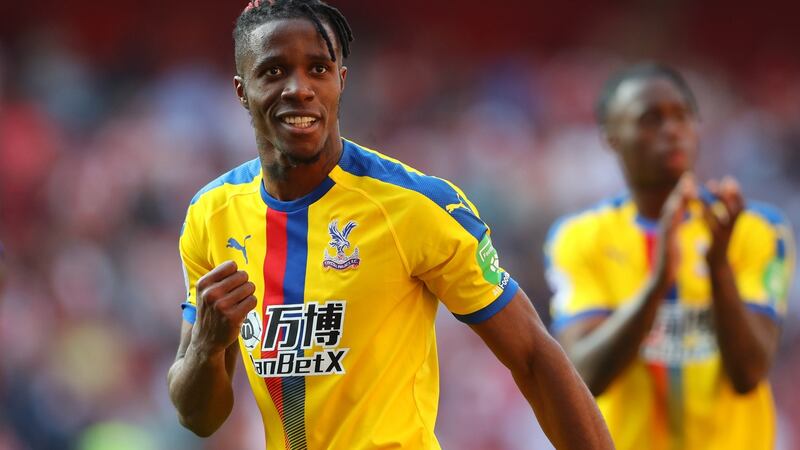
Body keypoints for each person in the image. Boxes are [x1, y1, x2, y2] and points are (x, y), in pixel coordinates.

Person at [167, 1, 612, 449]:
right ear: (242, 90)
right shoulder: (211, 215)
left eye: (318, 69)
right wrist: (207, 346)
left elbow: (533, 355)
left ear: (341, 81)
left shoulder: (415, 205)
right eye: (273, 72)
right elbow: (199, 417)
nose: (299, 89)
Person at [545, 63, 795, 450]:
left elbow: (749, 373)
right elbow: (585, 376)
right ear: (611, 136)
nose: (672, 130)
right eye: (651, 119)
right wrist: (659, 281)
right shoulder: (580, 238)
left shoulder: (757, 229)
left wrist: (718, 268)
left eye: (683, 115)